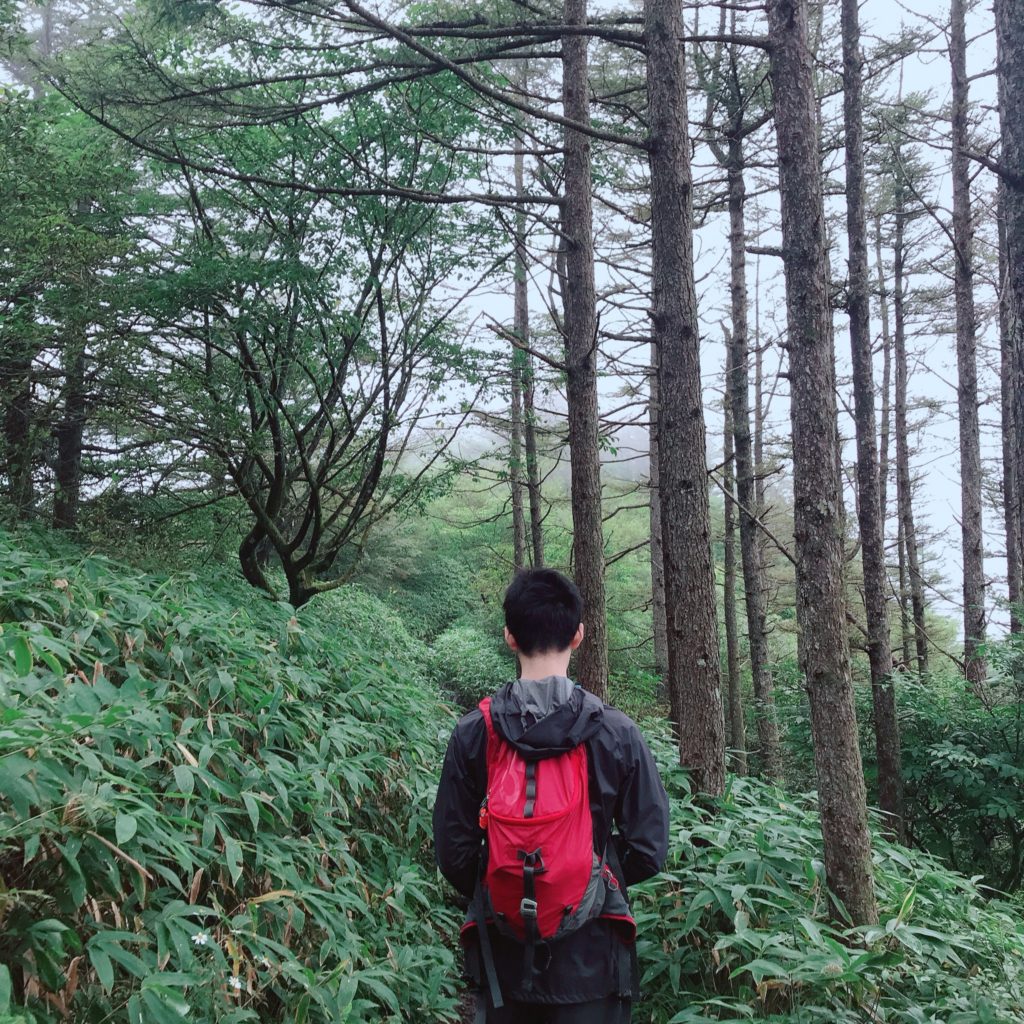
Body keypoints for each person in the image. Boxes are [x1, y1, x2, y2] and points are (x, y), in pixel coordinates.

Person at [433, 568, 670, 1023]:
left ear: (509, 636)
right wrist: (587, 876)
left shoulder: (475, 731)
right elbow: (649, 848)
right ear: (578, 635)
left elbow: (453, 850)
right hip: (592, 961)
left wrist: (504, 881)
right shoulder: (615, 732)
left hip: (502, 959)